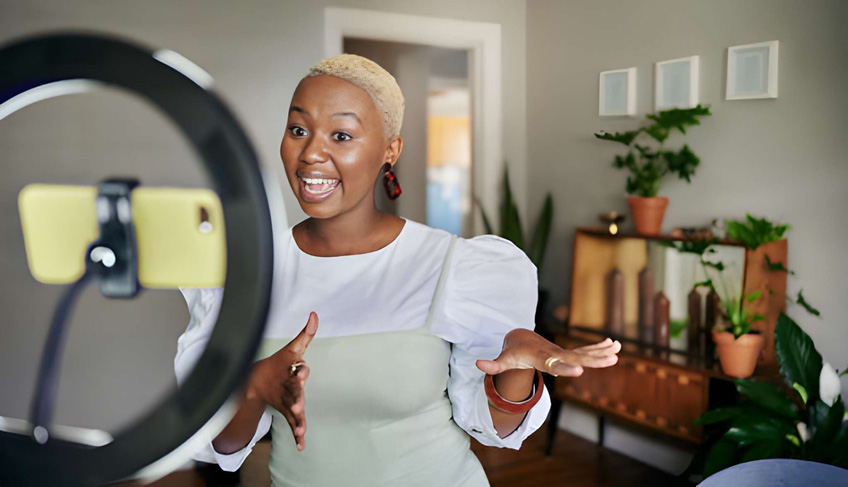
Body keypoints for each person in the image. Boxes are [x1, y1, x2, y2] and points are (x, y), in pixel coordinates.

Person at [174, 53, 621, 487]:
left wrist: (517, 368)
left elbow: (497, 430)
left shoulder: (452, 265)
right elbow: (223, 447)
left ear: (390, 150)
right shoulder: (251, 272)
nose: (311, 153)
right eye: (298, 129)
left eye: (341, 136)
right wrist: (254, 387)